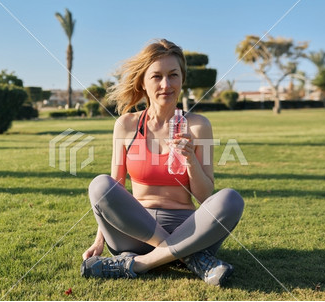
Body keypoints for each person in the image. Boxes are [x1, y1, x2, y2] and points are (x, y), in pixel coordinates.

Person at [81, 39, 244, 287]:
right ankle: (191, 257)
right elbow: (113, 189)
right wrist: (99, 240)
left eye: (173, 75)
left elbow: (205, 195)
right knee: (99, 185)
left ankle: (138, 263)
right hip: (133, 230)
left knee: (231, 199)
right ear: (143, 83)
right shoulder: (125, 125)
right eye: (157, 76)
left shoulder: (200, 126)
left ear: (182, 80)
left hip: (187, 228)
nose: (166, 85)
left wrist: (191, 160)